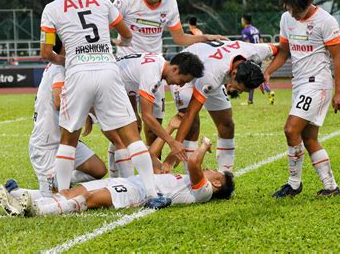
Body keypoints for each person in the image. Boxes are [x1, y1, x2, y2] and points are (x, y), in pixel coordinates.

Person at [39, 0, 169, 208]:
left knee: (69, 139)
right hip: (109, 70)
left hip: (78, 72)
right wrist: (118, 44)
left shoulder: (51, 9)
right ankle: (152, 194)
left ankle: (63, 199)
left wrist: (64, 59)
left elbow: (46, 53)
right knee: (131, 135)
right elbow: (126, 34)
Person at [113, 0, 226, 148]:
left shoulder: (170, 4)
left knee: (152, 127)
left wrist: (205, 37)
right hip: (128, 68)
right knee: (130, 126)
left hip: (154, 69)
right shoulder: (126, 0)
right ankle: (120, 173)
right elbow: (105, 23)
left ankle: (154, 173)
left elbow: (179, 38)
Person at [0, 135, 235, 216]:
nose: (210, 168)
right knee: (73, 192)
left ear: (216, 182)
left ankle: (35, 210)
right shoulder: (181, 181)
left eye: (215, 171)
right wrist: (169, 130)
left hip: (138, 192)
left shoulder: (203, 192)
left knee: (90, 198)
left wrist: (204, 145)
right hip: (129, 181)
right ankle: (21, 198)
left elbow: (193, 162)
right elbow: (150, 156)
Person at [264, 0, 340, 198]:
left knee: (291, 129)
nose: (293, 13)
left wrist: (339, 92)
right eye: (289, 8)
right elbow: (283, 52)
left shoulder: (326, 21)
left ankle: (293, 184)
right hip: (299, 83)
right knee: (309, 138)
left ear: (309, 2)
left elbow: (337, 58)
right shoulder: (286, 18)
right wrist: (267, 71)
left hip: (318, 83)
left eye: (297, 9)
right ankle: (331, 187)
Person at [2, 39, 107, 201]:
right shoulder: (59, 68)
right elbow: (59, 102)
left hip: (65, 138)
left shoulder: (66, 66)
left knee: (98, 171)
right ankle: (15, 192)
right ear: (65, 45)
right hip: (46, 143)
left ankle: (61, 179)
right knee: (54, 199)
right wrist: (85, 112)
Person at [166, 40, 278, 173]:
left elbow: (282, 47)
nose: (239, 92)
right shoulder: (211, 76)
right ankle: (192, 178)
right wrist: (175, 148)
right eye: (239, 88)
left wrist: (267, 72)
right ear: (234, 74)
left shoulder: (255, 51)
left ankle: (225, 175)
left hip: (212, 69)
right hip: (186, 70)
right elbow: (190, 113)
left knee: (227, 124)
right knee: (192, 125)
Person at [105, 51, 204, 174]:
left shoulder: (158, 61)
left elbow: (128, 83)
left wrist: (134, 112)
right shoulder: (153, 76)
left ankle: (116, 180)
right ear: (174, 69)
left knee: (123, 137)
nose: (181, 84)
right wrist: (172, 142)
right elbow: (147, 116)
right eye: (183, 80)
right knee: (125, 140)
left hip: (107, 83)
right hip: (104, 88)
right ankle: (125, 185)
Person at [240, 14, 274, 105]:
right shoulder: (256, 29)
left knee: (251, 77)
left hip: (252, 56)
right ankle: (269, 92)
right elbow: (262, 42)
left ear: (244, 20)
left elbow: (247, 44)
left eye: (242, 20)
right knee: (257, 76)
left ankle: (250, 100)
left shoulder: (245, 31)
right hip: (259, 55)